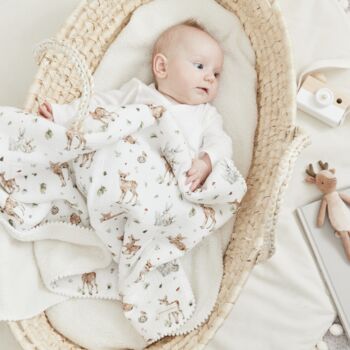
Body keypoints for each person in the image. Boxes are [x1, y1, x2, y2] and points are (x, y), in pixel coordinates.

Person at [38, 19, 233, 192]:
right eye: (200, 66)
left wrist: (206, 162)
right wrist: (61, 113)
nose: (210, 78)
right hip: (120, 172)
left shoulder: (206, 115)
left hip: (168, 188)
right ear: (162, 67)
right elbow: (98, 107)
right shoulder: (139, 93)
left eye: (216, 74)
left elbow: (221, 142)